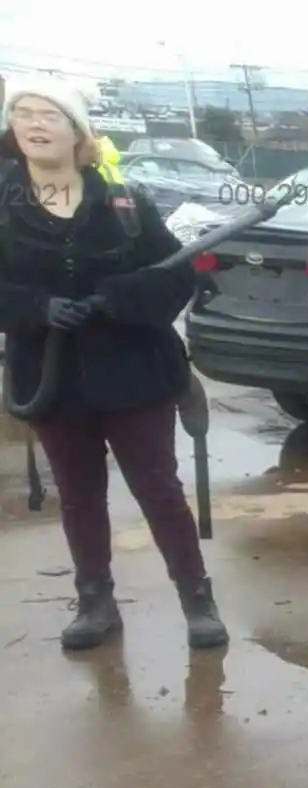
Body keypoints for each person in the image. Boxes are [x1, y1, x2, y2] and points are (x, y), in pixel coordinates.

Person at [0, 75, 227, 650]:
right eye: (23, 113)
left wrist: (122, 297)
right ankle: (95, 603)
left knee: (157, 487)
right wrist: (35, 307)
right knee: (78, 493)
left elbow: (173, 274)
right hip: (51, 381)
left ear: (76, 131)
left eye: (50, 114)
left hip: (135, 375)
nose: (35, 123)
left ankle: (196, 599)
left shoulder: (124, 202)